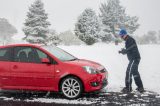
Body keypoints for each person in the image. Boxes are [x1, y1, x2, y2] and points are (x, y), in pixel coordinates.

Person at [118, 29, 144, 93]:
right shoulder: (128, 40)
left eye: (121, 36)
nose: (121, 37)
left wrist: (125, 50)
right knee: (135, 72)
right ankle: (140, 87)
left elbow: (131, 48)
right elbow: (129, 49)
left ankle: (128, 88)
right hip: (135, 58)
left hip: (134, 58)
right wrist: (123, 51)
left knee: (128, 72)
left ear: (125, 34)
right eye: (120, 36)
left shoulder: (129, 39)